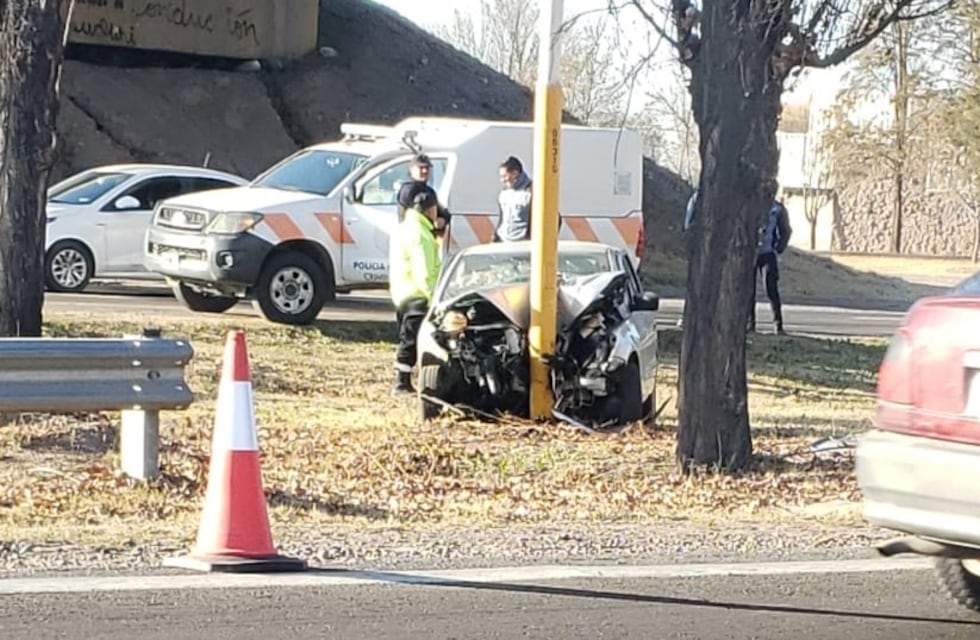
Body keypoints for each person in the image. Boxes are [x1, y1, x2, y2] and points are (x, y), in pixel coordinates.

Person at [389, 190, 443, 394]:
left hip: (402, 292)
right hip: (418, 294)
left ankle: (404, 381)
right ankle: (402, 383)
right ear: (430, 209)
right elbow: (426, 271)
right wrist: (434, 298)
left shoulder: (403, 228)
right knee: (412, 340)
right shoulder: (420, 234)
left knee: (405, 337)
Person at [750, 199, 792, 335]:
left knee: (771, 289)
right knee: (748, 290)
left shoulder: (777, 208)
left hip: (768, 253)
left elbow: (786, 230)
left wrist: (778, 248)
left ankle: (778, 325)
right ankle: (749, 324)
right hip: (748, 254)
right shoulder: (749, 203)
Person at [396, 153, 450, 238]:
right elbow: (404, 219)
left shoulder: (430, 191)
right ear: (412, 169)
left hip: (428, 239)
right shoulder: (407, 191)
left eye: (427, 168)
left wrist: (443, 220)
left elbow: (444, 214)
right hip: (413, 239)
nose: (425, 171)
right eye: (421, 168)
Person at [494, 156, 533, 242]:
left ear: (515, 173)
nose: (502, 180)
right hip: (504, 240)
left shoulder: (531, 192)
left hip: (522, 243)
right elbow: (502, 218)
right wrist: (496, 236)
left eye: (505, 176)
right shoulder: (504, 193)